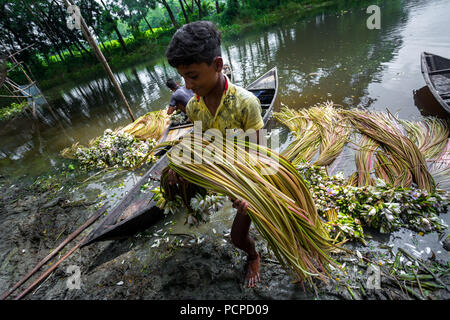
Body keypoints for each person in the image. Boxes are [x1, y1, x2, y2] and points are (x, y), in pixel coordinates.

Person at [165, 21, 264, 288]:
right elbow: (199, 139)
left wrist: (248, 191)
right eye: (183, 77)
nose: (187, 85)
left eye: (193, 76)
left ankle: (253, 256)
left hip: (250, 182)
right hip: (223, 174)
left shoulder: (246, 104)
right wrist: (180, 164)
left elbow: (262, 156)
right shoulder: (195, 108)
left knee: (237, 239)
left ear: (218, 65)